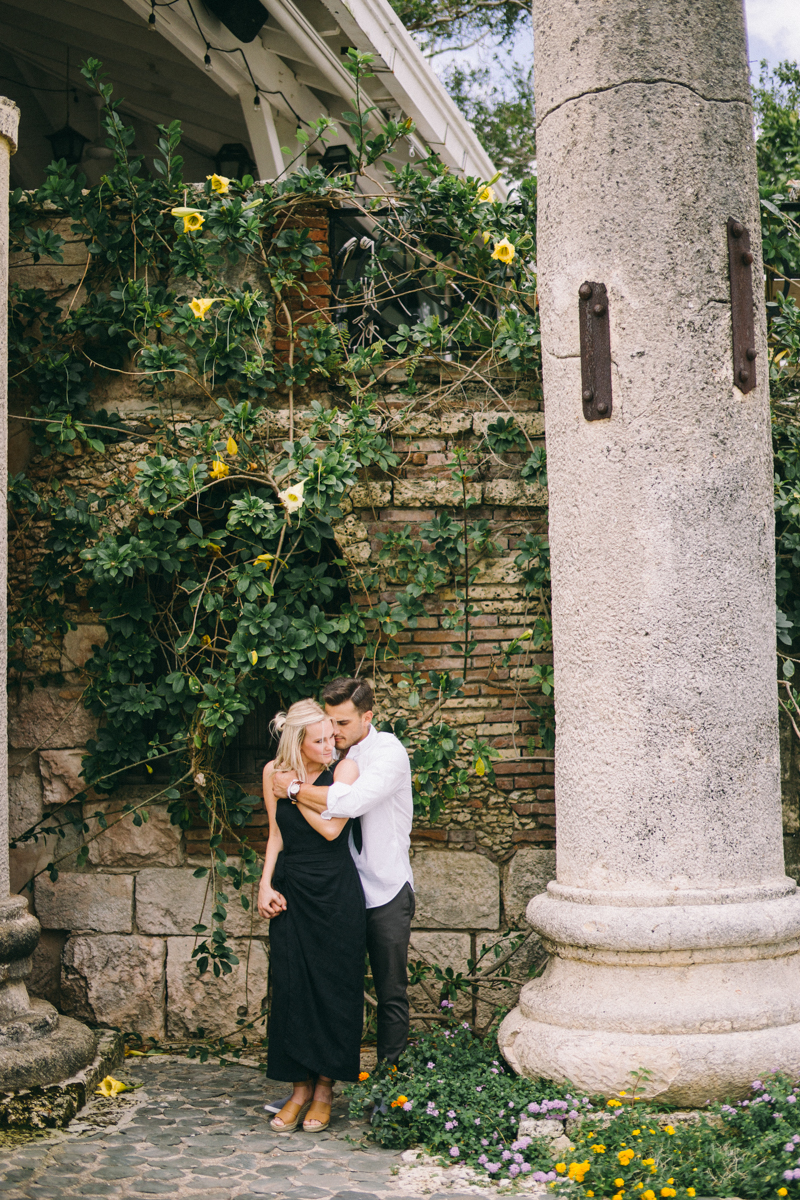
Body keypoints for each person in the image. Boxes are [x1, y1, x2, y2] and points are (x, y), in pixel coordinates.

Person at [271, 678, 415, 1068]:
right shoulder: (331, 755)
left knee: (390, 992)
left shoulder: (389, 753)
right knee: (332, 986)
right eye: (329, 721)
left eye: (343, 723)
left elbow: (347, 804)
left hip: (385, 890)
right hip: (341, 892)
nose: (333, 732)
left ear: (368, 716)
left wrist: (293, 789)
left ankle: (392, 1089)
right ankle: (321, 1079)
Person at [258, 698, 365, 1133]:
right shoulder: (271, 772)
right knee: (291, 988)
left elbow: (331, 828)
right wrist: (264, 885)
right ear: (297, 742)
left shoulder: (346, 771)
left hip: (335, 892)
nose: (330, 745)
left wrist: (294, 791)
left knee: (333, 988)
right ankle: (299, 1088)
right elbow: (275, 835)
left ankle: (324, 1090)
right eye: (319, 740)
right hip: (291, 888)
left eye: (331, 737)